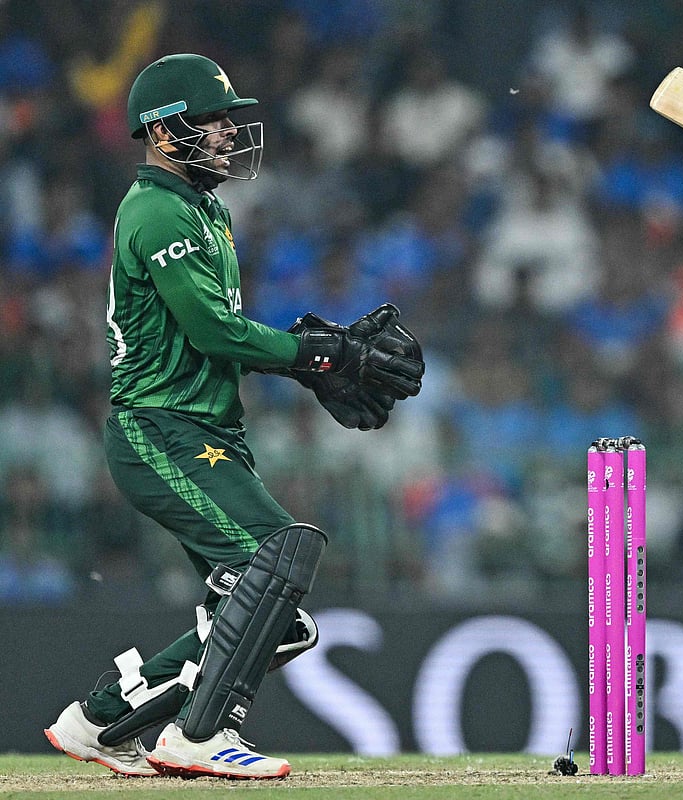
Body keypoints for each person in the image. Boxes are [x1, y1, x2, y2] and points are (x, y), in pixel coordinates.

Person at [43, 53, 425, 780]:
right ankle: (198, 735)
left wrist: (317, 361)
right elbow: (214, 333)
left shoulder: (202, 207)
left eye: (226, 120)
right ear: (161, 132)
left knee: (265, 617)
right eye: (210, 120)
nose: (226, 133)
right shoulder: (156, 210)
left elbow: (222, 337)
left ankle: (96, 720)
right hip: (160, 430)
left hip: (205, 432)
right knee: (279, 555)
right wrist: (322, 356)